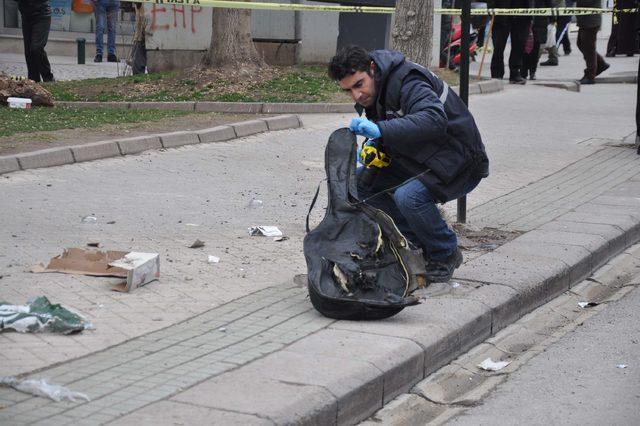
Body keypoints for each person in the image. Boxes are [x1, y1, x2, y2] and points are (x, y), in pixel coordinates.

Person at [327, 46, 489, 283]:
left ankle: (445, 253)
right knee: (358, 185)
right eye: (349, 90)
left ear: (372, 69)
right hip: (421, 160)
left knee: (409, 197)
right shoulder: (376, 91)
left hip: (460, 162)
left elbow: (433, 119)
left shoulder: (408, 80)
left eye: (359, 84)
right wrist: (376, 144)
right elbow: (399, 127)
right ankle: (419, 246)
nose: (357, 95)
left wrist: (381, 129)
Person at [488, 0, 533, 84]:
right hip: (501, 13)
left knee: (519, 45)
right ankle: (496, 73)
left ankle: (515, 73)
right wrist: (491, 8)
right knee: (498, 46)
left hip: (523, 14)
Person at [16, 0, 54, 82]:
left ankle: (48, 78)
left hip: (42, 15)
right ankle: (33, 80)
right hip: (26, 16)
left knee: (36, 47)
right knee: (29, 51)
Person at [576, 0, 610, 84]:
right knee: (581, 44)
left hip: (591, 21)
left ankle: (590, 75)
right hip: (585, 19)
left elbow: (586, 2)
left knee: (589, 48)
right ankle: (601, 64)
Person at [522, 0, 550, 80]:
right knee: (523, 47)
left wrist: (552, 19)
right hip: (524, 19)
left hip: (539, 22)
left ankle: (532, 72)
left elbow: (548, 4)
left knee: (535, 48)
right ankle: (523, 72)